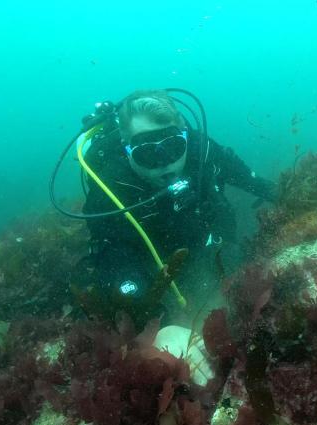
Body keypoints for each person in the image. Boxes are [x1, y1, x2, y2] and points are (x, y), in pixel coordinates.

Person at [70, 89, 277, 324]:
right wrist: (136, 292)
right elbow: (109, 249)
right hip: (147, 254)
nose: (165, 163)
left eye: (174, 147)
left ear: (185, 135)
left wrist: (291, 196)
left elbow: (251, 181)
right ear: (126, 149)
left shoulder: (201, 149)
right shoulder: (110, 182)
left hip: (203, 242)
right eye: (147, 153)